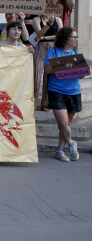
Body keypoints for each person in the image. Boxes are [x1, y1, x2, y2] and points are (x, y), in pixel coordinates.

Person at [44, 27, 82, 162]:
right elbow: (47, 70)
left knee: (68, 124)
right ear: (65, 38)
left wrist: (81, 69)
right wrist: (64, 66)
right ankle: (72, 143)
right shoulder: (53, 51)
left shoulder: (75, 53)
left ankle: (60, 150)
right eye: (74, 37)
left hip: (74, 91)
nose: (76, 39)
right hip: (57, 90)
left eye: (76, 37)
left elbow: (81, 74)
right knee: (63, 122)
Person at [33, 13, 63, 110]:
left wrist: (45, 38)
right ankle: (33, 102)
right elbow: (39, 33)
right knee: (36, 76)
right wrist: (48, 24)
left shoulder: (58, 19)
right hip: (40, 47)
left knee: (49, 76)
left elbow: (60, 35)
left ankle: (46, 102)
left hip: (53, 48)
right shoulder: (37, 19)